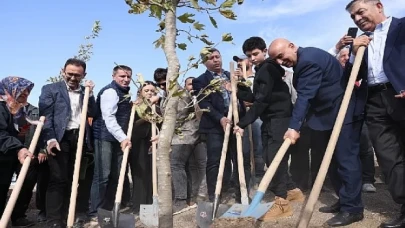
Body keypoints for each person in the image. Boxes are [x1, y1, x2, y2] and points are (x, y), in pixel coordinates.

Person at [269, 38, 366, 226]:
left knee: (346, 160)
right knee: (334, 161)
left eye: (281, 56)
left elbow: (305, 96)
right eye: (276, 60)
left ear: (292, 46)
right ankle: (344, 200)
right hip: (327, 115)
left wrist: (293, 127)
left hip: (342, 112)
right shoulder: (306, 57)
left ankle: (353, 209)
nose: (281, 62)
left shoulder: (308, 61)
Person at [346, 0, 405, 227]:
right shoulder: (361, 42)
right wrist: (353, 52)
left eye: (360, 12)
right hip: (374, 101)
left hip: (400, 93)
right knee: (389, 158)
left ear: (378, 6)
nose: (357, 19)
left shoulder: (401, 27)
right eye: (353, 17)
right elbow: (352, 76)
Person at [233, 37, 304, 221]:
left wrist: (242, 123)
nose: (253, 58)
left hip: (279, 119)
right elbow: (258, 96)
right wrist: (237, 87)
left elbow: (260, 102)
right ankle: (292, 190)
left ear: (264, 51)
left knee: (274, 159)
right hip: (272, 119)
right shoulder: (264, 70)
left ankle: (282, 203)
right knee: (269, 156)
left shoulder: (266, 69)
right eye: (249, 56)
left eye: (256, 54)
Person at [39, 58, 96, 228]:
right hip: (59, 139)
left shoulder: (85, 92)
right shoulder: (50, 89)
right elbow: (46, 117)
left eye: (77, 75)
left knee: (73, 178)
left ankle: (67, 215)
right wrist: (50, 139)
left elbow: (93, 112)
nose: (73, 78)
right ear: (63, 71)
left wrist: (90, 94)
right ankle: (54, 220)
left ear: (83, 75)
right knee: (58, 178)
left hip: (79, 139)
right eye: (70, 74)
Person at [192, 48, 250, 203]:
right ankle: (215, 195)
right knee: (215, 161)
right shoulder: (200, 81)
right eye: (211, 58)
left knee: (240, 158)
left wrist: (240, 83)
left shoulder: (231, 75)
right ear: (205, 62)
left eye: (218, 56)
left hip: (237, 122)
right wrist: (220, 118)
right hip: (215, 126)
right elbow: (203, 103)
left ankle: (242, 194)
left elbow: (245, 95)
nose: (216, 60)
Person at [89, 65, 133, 220]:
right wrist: (123, 138)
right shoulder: (110, 92)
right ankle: (95, 211)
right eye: (122, 76)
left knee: (117, 174)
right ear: (114, 76)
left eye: (128, 77)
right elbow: (109, 118)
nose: (126, 79)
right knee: (103, 175)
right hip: (104, 137)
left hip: (118, 139)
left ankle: (109, 207)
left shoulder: (125, 93)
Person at [0, 76, 35, 225]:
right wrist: (18, 148)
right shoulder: (1, 108)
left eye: (27, 92)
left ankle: (18, 216)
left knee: (27, 181)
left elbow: (22, 130)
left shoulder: (18, 109)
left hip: (17, 153)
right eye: (22, 91)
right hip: (3, 153)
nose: (25, 95)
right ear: (10, 90)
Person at [232, 54, 265, 184]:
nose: (239, 63)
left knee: (259, 146)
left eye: (242, 60)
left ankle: (259, 174)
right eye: (237, 61)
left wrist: (252, 103)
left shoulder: (257, 77)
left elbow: (260, 97)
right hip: (243, 117)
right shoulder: (236, 80)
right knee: (245, 148)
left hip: (257, 115)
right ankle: (246, 177)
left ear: (250, 61)